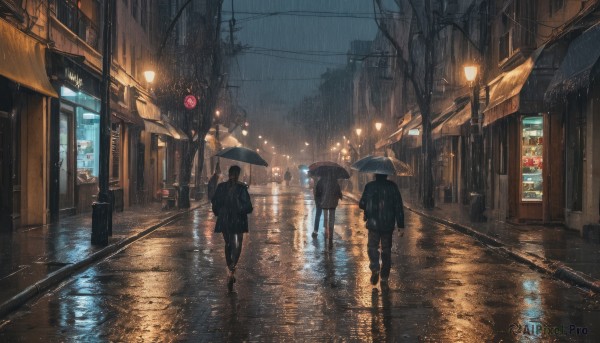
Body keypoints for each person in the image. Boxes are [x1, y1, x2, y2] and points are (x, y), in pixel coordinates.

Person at [211, 165, 253, 292]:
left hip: (225, 218)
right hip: (238, 218)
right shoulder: (241, 188)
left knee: (228, 243)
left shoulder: (221, 187)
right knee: (239, 243)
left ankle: (230, 266)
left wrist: (220, 213)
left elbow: (215, 202)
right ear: (238, 174)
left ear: (229, 173)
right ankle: (232, 267)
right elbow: (248, 207)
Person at [359, 173, 404, 286]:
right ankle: (384, 275)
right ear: (386, 174)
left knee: (372, 247)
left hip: (374, 224)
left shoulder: (370, 186)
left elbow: (362, 204)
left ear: (375, 174)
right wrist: (401, 225)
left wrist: (369, 204)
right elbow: (398, 206)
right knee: (386, 249)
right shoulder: (392, 187)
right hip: (388, 224)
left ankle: (375, 267)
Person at [313, 173, 343, 246]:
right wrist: (339, 196)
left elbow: (317, 193)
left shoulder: (321, 181)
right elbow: (339, 192)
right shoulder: (335, 182)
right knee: (332, 218)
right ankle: (331, 234)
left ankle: (325, 230)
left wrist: (318, 200)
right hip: (333, 203)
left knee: (325, 217)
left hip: (324, 202)